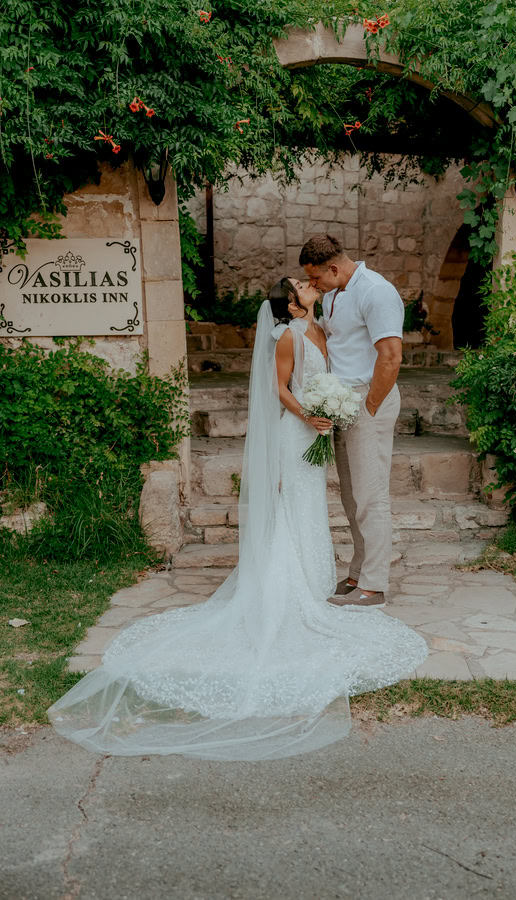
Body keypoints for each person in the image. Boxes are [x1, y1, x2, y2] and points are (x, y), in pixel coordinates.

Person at [47, 278, 427, 762]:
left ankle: (313, 581)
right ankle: (287, 586)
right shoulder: (287, 337)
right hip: (298, 430)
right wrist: (312, 414)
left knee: (311, 506)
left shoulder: (321, 328)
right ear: (291, 304)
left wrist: (333, 403)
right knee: (292, 502)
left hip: (319, 427)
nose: (310, 286)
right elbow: (279, 389)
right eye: (301, 286)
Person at [300, 234, 403, 610]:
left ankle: (374, 586)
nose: (313, 286)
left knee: (371, 497)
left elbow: (390, 356)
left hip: (367, 401)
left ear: (333, 267)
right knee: (351, 497)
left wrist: (370, 406)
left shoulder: (376, 291)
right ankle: (359, 573)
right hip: (342, 403)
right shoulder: (333, 294)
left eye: (316, 279)